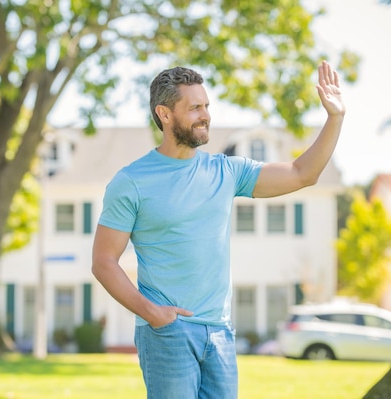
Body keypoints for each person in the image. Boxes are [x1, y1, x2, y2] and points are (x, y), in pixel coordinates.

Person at [91, 61, 345, 399]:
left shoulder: (226, 171)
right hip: (168, 332)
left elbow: (302, 173)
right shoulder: (132, 181)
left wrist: (335, 118)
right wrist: (152, 313)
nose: (205, 115)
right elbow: (104, 262)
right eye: (194, 107)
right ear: (164, 114)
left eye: (206, 106)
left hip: (220, 333)